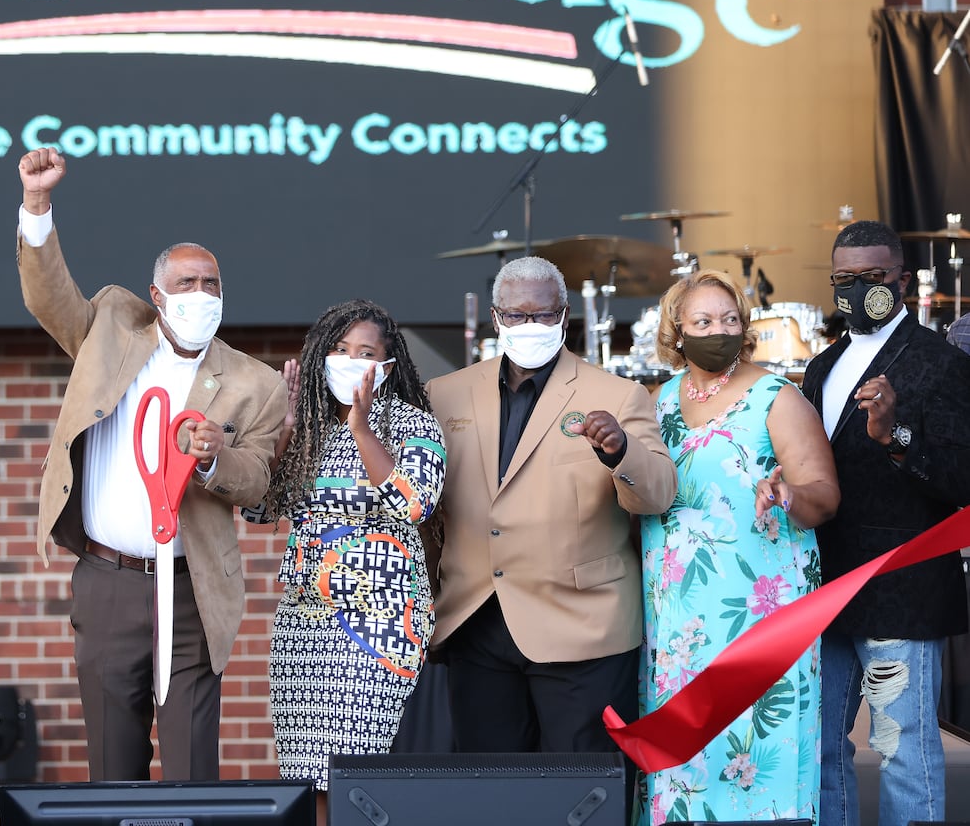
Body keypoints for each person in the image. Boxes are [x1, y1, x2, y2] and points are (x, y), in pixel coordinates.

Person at [15, 146, 288, 781]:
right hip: (108, 578)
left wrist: (217, 459)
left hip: (192, 586)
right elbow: (48, 296)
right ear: (156, 295)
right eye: (186, 284)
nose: (201, 295)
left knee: (193, 765)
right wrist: (37, 204)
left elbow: (259, 484)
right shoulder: (111, 325)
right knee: (113, 763)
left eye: (211, 283)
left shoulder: (255, 382)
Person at [425, 256, 676, 765]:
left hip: (582, 626)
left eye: (543, 315)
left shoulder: (617, 394)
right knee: (490, 794)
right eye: (517, 316)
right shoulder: (444, 395)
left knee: (584, 795)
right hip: (478, 620)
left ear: (564, 316)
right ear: (496, 318)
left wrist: (620, 451)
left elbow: (658, 495)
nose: (530, 326)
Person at [637, 269, 840, 825]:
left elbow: (824, 496)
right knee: (685, 762)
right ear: (676, 331)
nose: (718, 330)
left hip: (759, 615)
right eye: (703, 321)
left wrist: (787, 493)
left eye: (730, 319)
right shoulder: (658, 403)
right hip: (679, 620)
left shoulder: (776, 398)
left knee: (759, 755)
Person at [801, 220, 970, 826]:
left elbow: (961, 482)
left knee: (903, 750)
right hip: (828, 586)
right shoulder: (823, 366)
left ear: (901, 279)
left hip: (903, 586)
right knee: (819, 747)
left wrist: (895, 436)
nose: (856, 290)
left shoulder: (940, 363)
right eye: (844, 279)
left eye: (872, 278)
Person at [255, 299, 444, 818]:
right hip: (304, 625)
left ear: (385, 367)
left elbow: (415, 502)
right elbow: (260, 506)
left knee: (360, 775)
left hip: (379, 623)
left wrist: (362, 429)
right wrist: (285, 428)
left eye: (365, 352)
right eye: (339, 349)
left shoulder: (412, 425)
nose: (349, 360)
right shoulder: (309, 427)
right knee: (309, 773)